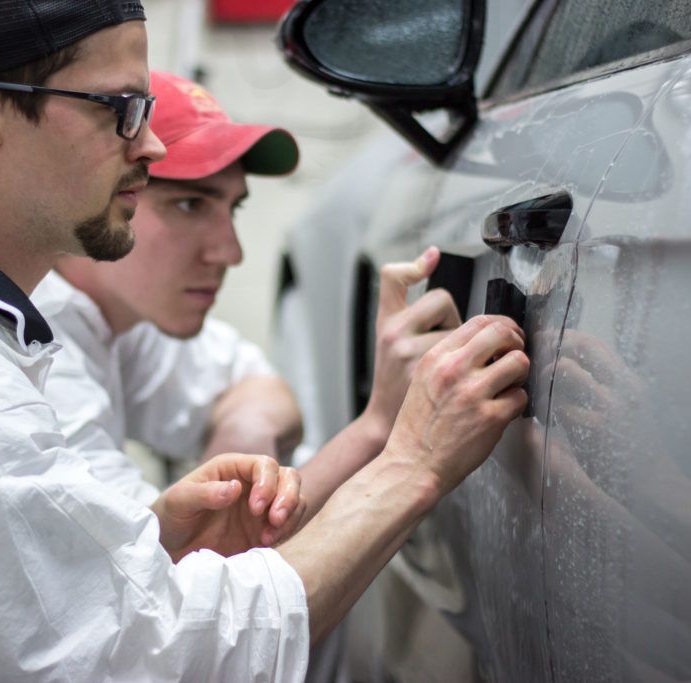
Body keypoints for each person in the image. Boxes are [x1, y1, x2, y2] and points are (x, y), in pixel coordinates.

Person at [0, 1, 530, 681]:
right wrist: (411, 463)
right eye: (120, 109)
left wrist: (148, 540)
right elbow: (159, 659)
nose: (154, 143)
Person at [33, 70, 465, 523]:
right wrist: (380, 425)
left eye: (232, 208)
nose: (230, 251)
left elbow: (256, 383)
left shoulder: (118, 323)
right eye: (189, 204)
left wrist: (246, 429)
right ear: (98, 195)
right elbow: (163, 578)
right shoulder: (40, 358)